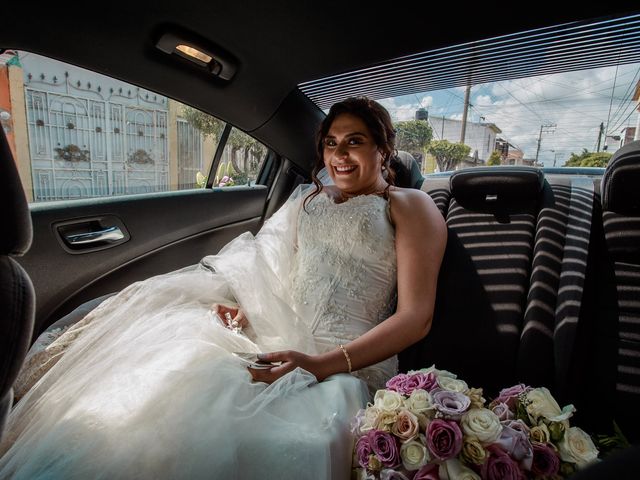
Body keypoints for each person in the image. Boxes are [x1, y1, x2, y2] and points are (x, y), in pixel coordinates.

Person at [0, 97, 446, 479]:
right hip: (279, 344)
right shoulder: (309, 201)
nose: (339, 155)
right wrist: (252, 310)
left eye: (354, 142)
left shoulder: (409, 206)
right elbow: (287, 277)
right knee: (168, 398)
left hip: (347, 366)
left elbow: (415, 317)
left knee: (258, 436)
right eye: (331, 143)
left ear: (384, 149)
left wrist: (319, 365)